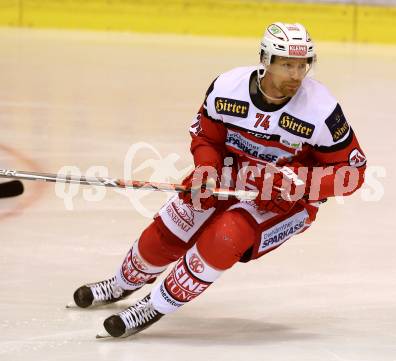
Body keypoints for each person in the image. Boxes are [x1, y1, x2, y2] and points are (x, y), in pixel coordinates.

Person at [72, 22, 367, 338]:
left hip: (283, 198)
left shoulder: (321, 108)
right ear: (265, 60)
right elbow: (206, 138)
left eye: (302, 65)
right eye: (287, 65)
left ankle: (154, 306)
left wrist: (300, 185)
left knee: (224, 238)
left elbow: (353, 173)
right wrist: (207, 169)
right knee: (167, 234)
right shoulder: (228, 88)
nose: (296, 75)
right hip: (230, 174)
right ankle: (119, 284)